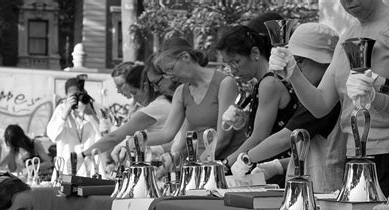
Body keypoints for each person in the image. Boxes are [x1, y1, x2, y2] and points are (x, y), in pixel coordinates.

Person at [269, 0, 389, 196]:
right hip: (353, 155)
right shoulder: (347, 36)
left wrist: (381, 86)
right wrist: (292, 72)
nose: (347, 1)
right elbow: (321, 105)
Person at [230, 23, 342, 193]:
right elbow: (309, 150)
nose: (295, 68)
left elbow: (285, 138)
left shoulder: (321, 97)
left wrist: (247, 158)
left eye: (301, 62)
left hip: (324, 192)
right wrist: (277, 166)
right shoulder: (313, 93)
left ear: (326, 62)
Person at [215, 24, 301, 186]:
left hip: (275, 170)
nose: (233, 70)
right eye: (229, 64)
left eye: (236, 62)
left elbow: (259, 137)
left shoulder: (269, 83)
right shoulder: (264, 81)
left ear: (255, 53)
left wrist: (226, 163)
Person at [146, 38, 243, 161]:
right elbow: (166, 133)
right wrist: (133, 141)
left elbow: (223, 138)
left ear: (185, 57)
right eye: (166, 73)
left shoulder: (224, 83)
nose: (171, 76)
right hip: (199, 164)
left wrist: (199, 165)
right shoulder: (181, 91)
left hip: (224, 164)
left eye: (170, 69)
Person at [83, 57, 178, 159]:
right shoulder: (164, 102)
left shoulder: (156, 106)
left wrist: (83, 155)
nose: (135, 98)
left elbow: (115, 137)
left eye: (135, 93)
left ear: (145, 86)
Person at [46, 77, 104, 176]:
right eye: (74, 96)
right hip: (67, 170)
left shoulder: (95, 108)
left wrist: (91, 114)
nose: (77, 99)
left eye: (79, 95)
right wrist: (64, 114)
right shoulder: (61, 109)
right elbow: (53, 136)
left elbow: (104, 137)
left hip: (92, 171)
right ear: (67, 96)